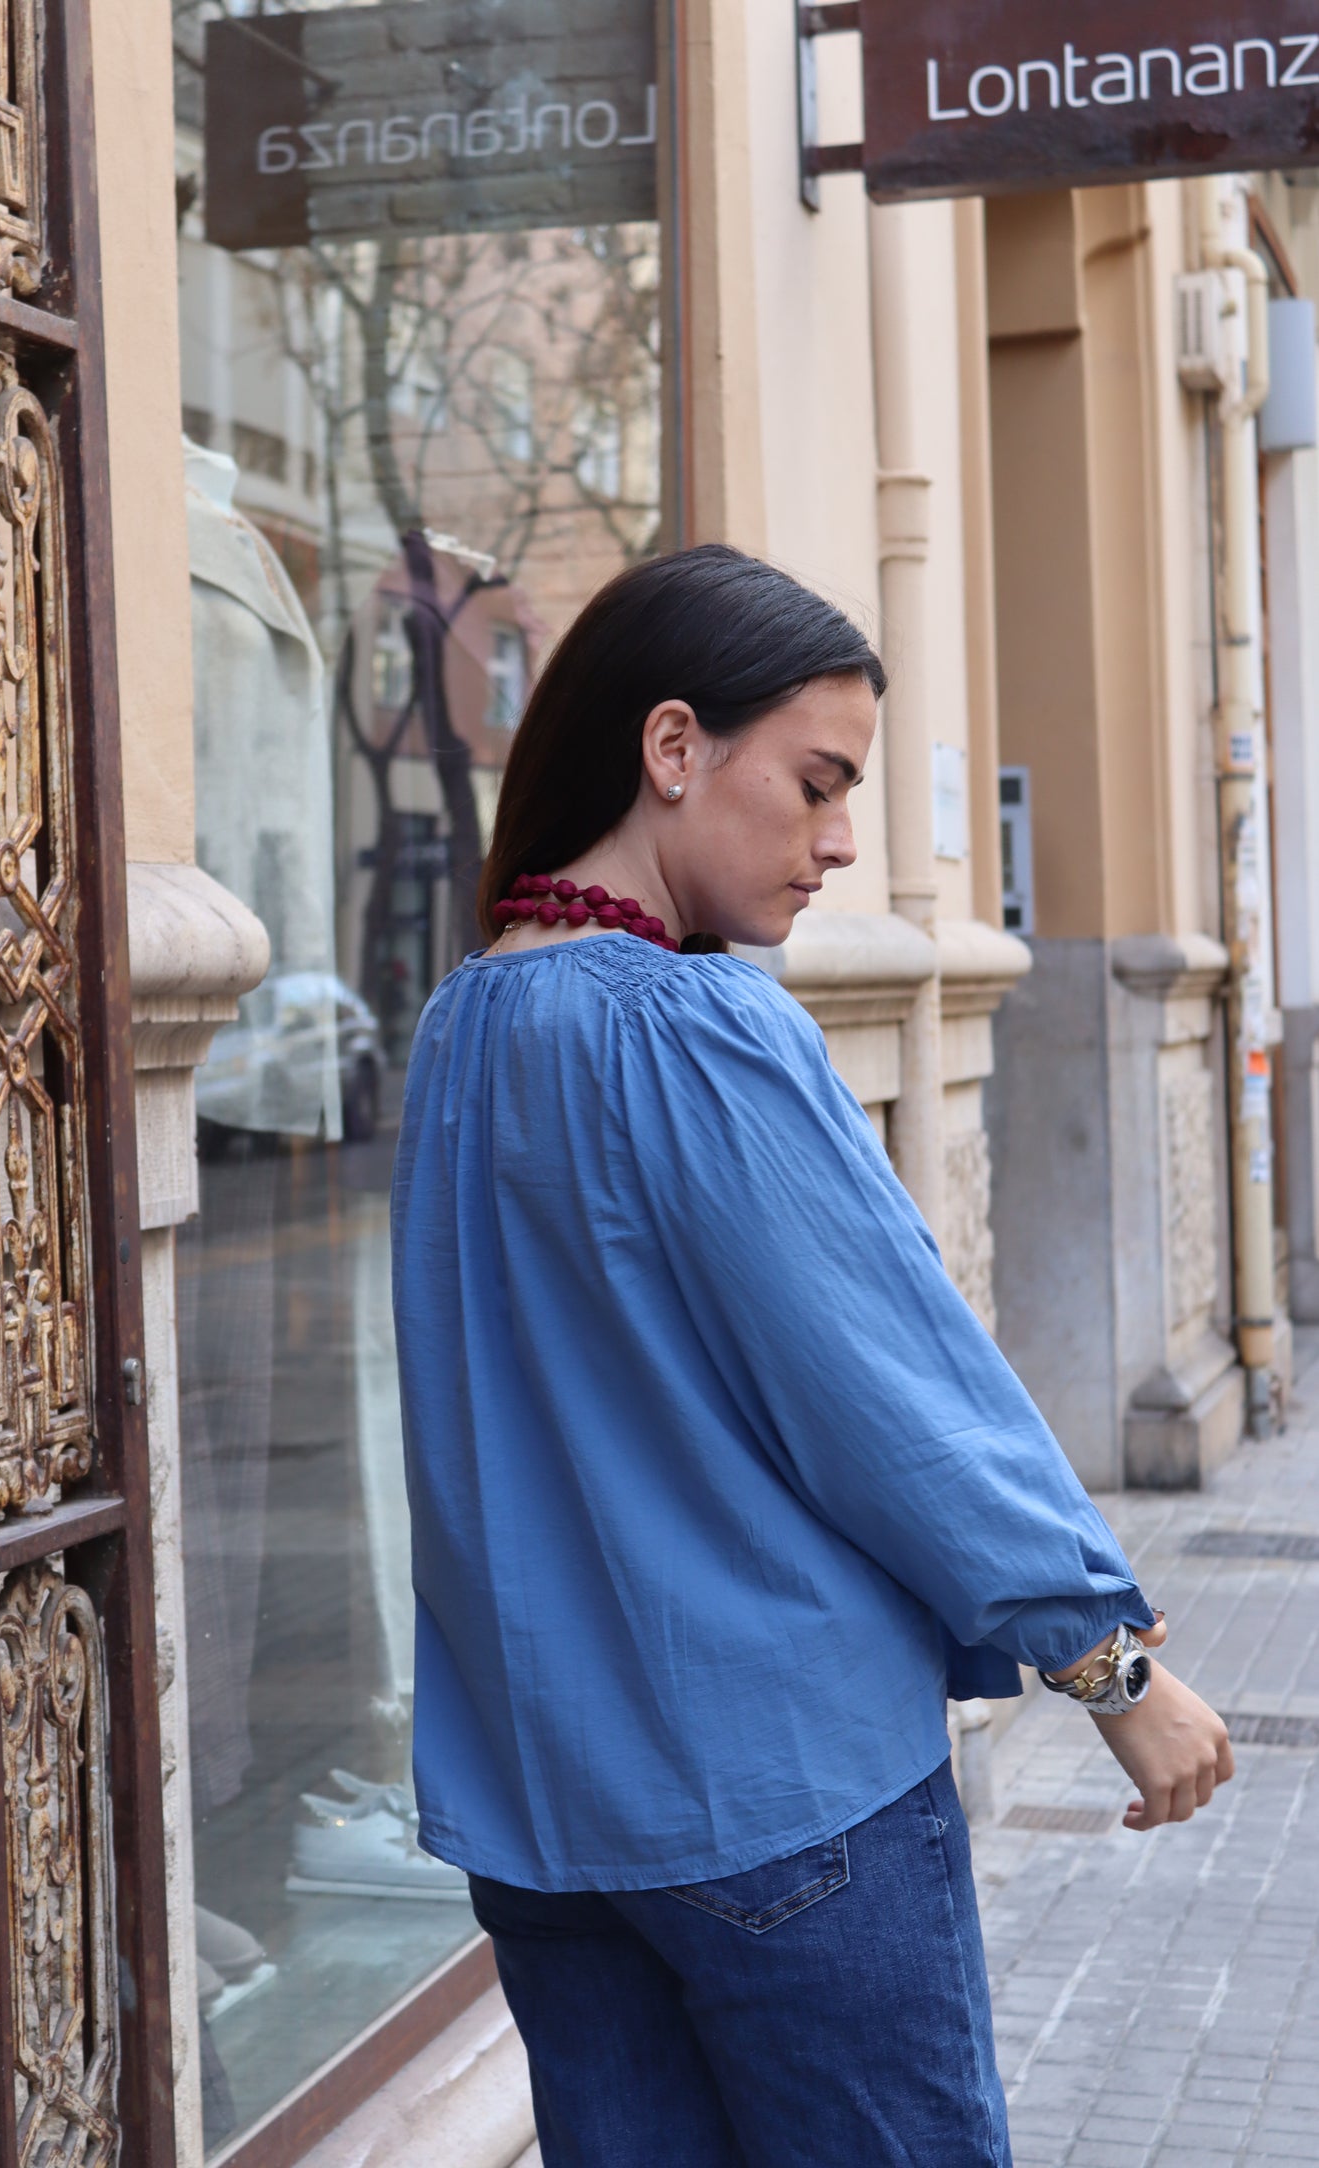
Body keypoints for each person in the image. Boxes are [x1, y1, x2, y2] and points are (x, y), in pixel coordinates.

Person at [391, 545, 1233, 2167]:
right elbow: (892, 1398)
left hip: (549, 1810)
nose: (842, 841)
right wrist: (1108, 1666)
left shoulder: (457, 1033)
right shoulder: (700, 1029)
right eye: (815, 782)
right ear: (671, 749)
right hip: (777, 1803)